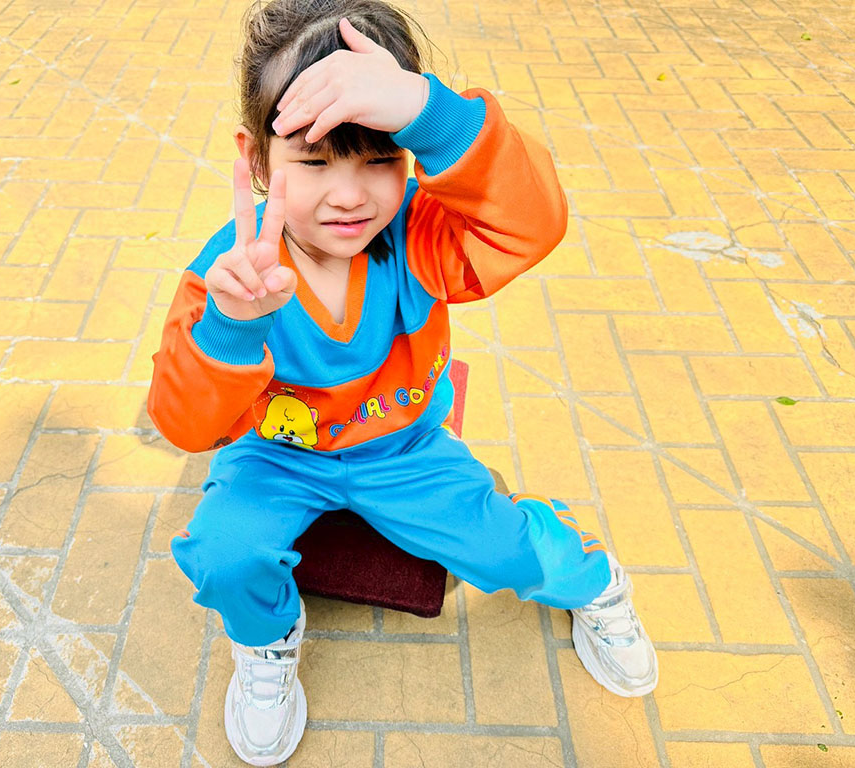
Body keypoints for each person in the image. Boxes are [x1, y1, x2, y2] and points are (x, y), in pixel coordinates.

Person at [148, 0, 658, 764]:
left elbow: (535, 223)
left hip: (404, 449)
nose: (350, 195)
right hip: (276, 457)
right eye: (314, 162)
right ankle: (267, 640)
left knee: (502, 552)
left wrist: (433, 113)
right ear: (257, 160)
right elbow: (183, 425)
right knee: (224, 553)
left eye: (380, 157)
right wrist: (231, 327)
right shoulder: (230, 276)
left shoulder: (420, 232)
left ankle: (595, 579)